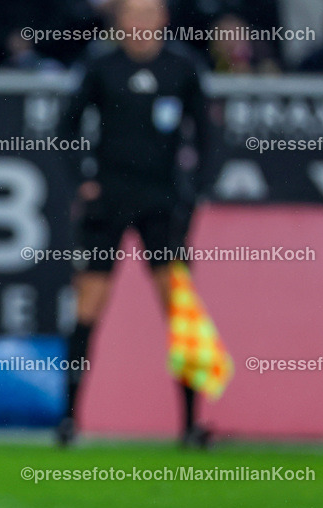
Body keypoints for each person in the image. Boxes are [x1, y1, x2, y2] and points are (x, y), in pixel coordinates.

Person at [57, 0, 210, 448]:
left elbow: (207, 134)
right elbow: (65, 128)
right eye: (131, 14)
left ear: (164, 20)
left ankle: (190, 424)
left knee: (180, 310)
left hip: (162, 204)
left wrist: (195, 190)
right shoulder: (100, 67)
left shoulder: (183, 68)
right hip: (108, 202)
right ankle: (68, 420)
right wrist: (83, 181)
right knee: (88, 308)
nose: (140, 24)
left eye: (148, 14)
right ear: (118, 21)